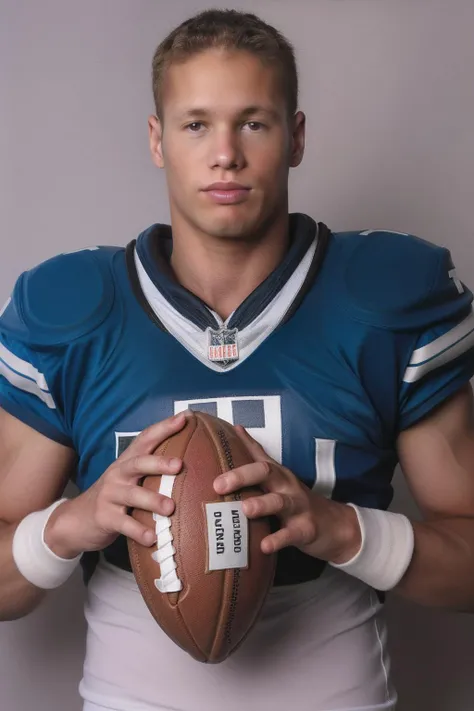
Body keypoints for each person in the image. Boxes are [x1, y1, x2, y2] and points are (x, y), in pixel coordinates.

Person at [1, 8, 474, 711]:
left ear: (296, 137)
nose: (226, 153)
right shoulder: (74, 311)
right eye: (197, 124)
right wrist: (73, 523)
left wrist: (340, 527)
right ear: (157, 140)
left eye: (253, 122)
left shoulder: (386, 299)